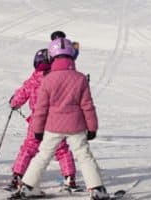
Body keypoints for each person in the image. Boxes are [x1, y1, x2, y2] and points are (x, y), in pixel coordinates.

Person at [12, 38, 110, 200]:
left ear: (52, 56)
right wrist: (92, 127)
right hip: (76, 127)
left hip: (52, 126)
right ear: (71, 55)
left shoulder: (48, 79)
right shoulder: (80, 78)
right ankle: (96, 189)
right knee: (84, 156)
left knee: (43, 155)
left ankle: (28, 187)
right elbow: (87, 106)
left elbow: (41, 109)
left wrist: (37, 129)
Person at [8, 49, 78, 191]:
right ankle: (69, 177)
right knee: (61, 149)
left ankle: (18, 175)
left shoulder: (33, 80)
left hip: (37, 120)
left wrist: (14, 102)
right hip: (56, 119)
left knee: (29, 147)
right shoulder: (59, 78)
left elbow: (20, 96)